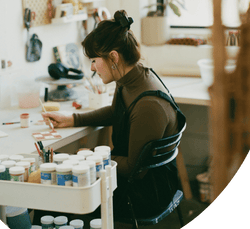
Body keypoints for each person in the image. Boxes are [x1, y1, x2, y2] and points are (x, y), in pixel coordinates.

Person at [42, 10, 186, 179]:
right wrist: (73, 119)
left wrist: (91, 157)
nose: (92, 68)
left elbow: (134, 169)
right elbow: (116, 112)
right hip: (131, 181)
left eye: (94, 61)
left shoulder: (148, 106)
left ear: (113, 57)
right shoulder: (132, 77)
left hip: (144, 194)